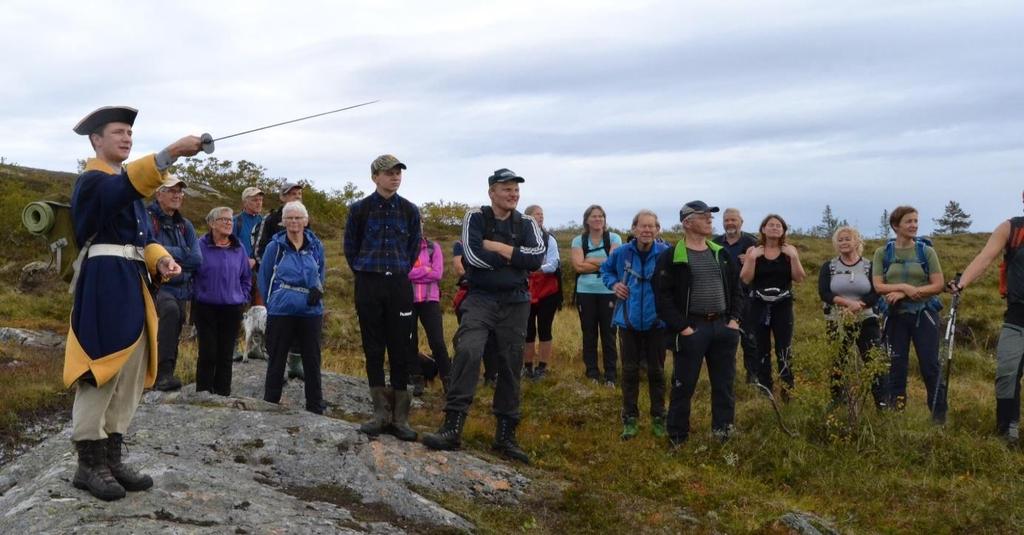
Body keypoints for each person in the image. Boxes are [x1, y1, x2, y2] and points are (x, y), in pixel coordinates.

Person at [65, 105, 202, 501]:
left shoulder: (127, 186)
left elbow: (138, 238)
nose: (126, 138)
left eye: (129, 132)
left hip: (132, 282)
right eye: (118, 132)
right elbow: (117, 193)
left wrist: (159, 256)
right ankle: (88, 463)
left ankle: (110, 456)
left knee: (130, 369)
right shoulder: (92, 181)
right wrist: (169, 154)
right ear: (96, 140)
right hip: (104, 284)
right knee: (100, 365)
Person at [422, 168, 545, 464]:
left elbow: (537, 259)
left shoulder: (527, 222)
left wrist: (500, 247)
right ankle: (452, 427)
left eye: (516, 190)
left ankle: (505, 435)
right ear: (492, 192)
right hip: (480, 298)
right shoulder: (475, 217)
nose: (513, 194)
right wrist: (514, 258)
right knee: (468, 350)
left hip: (515, 301)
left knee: (510, 363)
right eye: (506, 189)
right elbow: (472, 256)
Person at [343, 154, 421, 441]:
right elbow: (350, 247)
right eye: (389, 172)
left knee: (401, 347)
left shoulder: (410, 211)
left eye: (399, 172)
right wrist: (366, 273)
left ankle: (400, 418)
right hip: (369, 283)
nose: (395, 177)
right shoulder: (359, 210)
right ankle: (379, 413)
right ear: (375, 176)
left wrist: (398, 271)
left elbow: (413, 248)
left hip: (399, 284)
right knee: (373, 347)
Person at [654, 201, 743, 445]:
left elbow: (737, 289)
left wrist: (734, 320)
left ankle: (723, 433)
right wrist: (683, 327)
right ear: (687, 223)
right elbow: (662, 298)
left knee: (724, 385)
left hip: (723, 328)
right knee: (683, 386)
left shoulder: (720, 253)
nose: (709, 220)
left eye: (709, 216)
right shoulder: (671, 257)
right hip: (693, 329)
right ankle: (677, 438)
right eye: (703, 216)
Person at [952, 191, 1024, 444]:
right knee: (1007, 371)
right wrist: (961, 284)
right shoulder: (1011, 229)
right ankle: (1008, 429)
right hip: (1017, 316)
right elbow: (985, 258)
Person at [602, 209, 670, 440]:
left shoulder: (665, 252)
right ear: (634, 229)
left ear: (657, 229)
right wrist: (613, 284)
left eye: (652, 226)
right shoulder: (621, 253)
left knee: (657, 372)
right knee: (629, 372)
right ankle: (630, 419)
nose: (647, 230)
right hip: (628, 321)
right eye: (643, 226)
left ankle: (659, 418)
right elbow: (606, 270)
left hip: (657, 323)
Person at [872, 206, 945, 411]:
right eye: (908, 221)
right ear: (896, 226)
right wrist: (903, 286)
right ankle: (897, 410)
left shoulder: (927, 252)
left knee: (930, 365)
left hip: (924, 315)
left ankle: (938, 414)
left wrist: (905, 294)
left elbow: (938, 285)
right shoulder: (882, 253)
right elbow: (878, 286)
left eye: (915, 221)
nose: (914, 225)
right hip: (895, 316)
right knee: (896, 365)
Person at [258, 201, 326, 414]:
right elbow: (264, 277)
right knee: (277, 359)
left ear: (306, 221)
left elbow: (321, 271)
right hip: (282, 310)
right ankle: (270, 403)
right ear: (283, 221)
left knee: (312, 359)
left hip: (310, 310)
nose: (294, 222)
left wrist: (318, 289)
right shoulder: (274, 247)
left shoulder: (316, 246)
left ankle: (315, 406)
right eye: (290, 218)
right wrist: (273, 302)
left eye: (298, 218)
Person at [818, 226, 886, 408]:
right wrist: (847, 304)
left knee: (873, 361)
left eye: (847, 239)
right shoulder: (829, 266)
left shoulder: (869, 266)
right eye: (840, 240)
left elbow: (876, 292)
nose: (844, 243)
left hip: (866, 319)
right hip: (837, 321)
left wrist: (859, 305)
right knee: (837, 361)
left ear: (856, 242)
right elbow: (824, 293)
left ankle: (882, 402)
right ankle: (836, 399)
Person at [740, 214, 806, 399]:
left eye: (779, 225)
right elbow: (745, 279)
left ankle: (787, 389)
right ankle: (765, 388)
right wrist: (752, 259)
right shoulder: (754, 250)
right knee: (761, 348)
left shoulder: (789, 251)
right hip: (758, 306)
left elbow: (800, 278)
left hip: (782, 306)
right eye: (771, 225)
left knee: (784, 348)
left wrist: (793, 257)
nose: (775, 228)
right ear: (763, 229)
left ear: (783, 230)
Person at [147, 177, 202, 391]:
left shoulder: (185, 225)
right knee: (169, 312)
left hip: (181, 289)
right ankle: (162, 374)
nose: (177, 195)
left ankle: (165, 372)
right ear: (158, 194)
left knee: (175, 324)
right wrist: (180, 254)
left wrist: (168, 253)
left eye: (180, 191)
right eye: (171, 190)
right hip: (156, 286)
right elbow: (148, 249)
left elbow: (197, 259)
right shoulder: (148, 218)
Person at [193, 207, 251, 396]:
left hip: (232, 308)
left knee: (226, 354)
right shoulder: (200, 245)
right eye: (223, 219)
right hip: (205, 307)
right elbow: (191, 273)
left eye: (230, 220)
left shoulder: (239, 247)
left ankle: (222, 394)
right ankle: (203, 393)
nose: (228, 223)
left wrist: (243, 296)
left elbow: (245, 277)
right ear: (211, 224)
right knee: (208, 353)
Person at [255, 182, 306, 379]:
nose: (296, 196)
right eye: (292, 193)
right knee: (277, 326)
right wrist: (272, 277)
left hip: (301, 287)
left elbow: (313, 250)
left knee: (300, 325)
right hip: (278, 286)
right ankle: (278, 367)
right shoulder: (270, 219)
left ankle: (295, 363)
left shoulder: (305, 218)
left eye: (299, 193)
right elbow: (259, 250)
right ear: (282, 197)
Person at [571, 204, 622, 385]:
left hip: (608, 291)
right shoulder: (578, 240)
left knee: (609, 333)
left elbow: (615, 264)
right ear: (587, 220)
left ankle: (610, 375)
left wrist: (589, 260)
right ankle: (592, 373)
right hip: (585, 292)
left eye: (601, 216)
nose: (598, 219)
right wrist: (604, 262)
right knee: (589, 333)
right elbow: (577, 266)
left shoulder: (614, 237)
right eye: (594, 216)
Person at [712, 208, 759, 384]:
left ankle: (753, 376)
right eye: (727, 220)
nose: (730, 223)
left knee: (749, 338)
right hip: (723, 298)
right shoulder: (715, 243)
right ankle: (725, 375)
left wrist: (750, 261)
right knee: (723, 340)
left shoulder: (752, 243)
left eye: (733, 220)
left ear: (741, 222)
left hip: (747, 297)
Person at [408, 223, 451, 394]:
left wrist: (415, 272)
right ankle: (417, 380)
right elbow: (403, 272)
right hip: (407, 301)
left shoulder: (434, 247)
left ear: (422, 225)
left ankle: (448, 381)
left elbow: (437, 274)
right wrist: (425, 270)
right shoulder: (402, 248)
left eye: (417, 222)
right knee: (409, 342)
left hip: (430, 301)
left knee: (437, 342)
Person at [453, 240, 500, 385]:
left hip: (491, 294)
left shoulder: (491, 242)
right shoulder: (460, 244)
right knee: (467, 336)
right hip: (468, 294)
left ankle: (491, 374)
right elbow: (459, 267)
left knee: (491, 337)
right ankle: (466, 375)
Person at [523, 205, 562, 380]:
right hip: (526, 290)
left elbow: (553, 264)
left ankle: (542, 368)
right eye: (536, 214)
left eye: (542, 214)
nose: (540, 217)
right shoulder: (521, 238)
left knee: (545, 329)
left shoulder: (549, 239)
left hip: (548, 291)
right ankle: (527, 367)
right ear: (528, 217)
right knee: (527, 330)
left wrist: (533, 268)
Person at [233, 186, 264, 305]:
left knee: (259, 310)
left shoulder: (264, 221)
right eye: (255, 200)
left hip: (260, 272)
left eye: (260, 200)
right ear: (245, 202)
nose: (259, 203)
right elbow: (229, 245)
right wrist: (243, 260)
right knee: (239, 308)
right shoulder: (235, 221)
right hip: (240, 273)